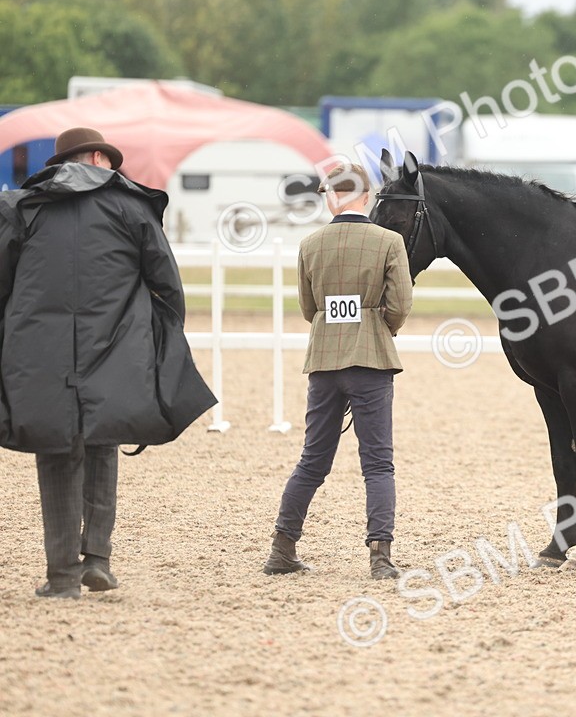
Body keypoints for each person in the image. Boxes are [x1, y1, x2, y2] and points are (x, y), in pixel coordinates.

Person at [0, 127, 216, 599]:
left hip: (40, 348)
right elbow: (167, 284)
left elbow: (3, 282)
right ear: (98, 158)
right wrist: (160, 336)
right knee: (103, 438)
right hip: (115, 342)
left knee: (55, 452)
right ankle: (97, 557)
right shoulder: (130, 206)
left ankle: (62, 577)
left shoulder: (26, 207)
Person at [264, 162, 412, 579]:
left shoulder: (311, 244)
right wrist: (381, 327)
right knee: (378, 464)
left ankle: (282, 549)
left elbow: (308, 307)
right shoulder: (389, 242)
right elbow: (400, 304)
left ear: (331, 198)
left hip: (324, 361)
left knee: (312, 460)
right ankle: (380, 556)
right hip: (371, 360)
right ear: (366, 196)